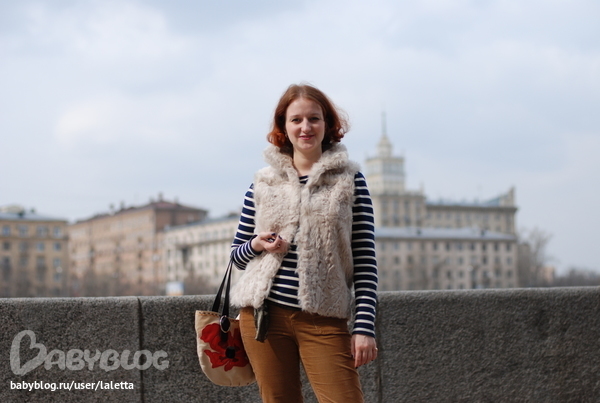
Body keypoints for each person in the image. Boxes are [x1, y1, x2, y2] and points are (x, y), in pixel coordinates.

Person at [230, 83, 378, 403]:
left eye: (314, 118)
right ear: (283, 127)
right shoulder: (263, 183)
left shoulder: (351, 181)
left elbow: (366, 262)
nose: (305, 127)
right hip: (262, 318)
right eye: (296, 120)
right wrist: (256, 244)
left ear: (327, 124)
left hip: (324, 318)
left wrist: (364, 326)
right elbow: (236, 257)